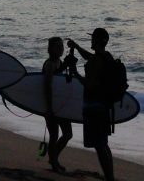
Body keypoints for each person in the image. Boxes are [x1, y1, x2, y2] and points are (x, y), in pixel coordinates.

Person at [67, 28, 116, 181]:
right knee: (104, 144)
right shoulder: (107, 57)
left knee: (99, 145)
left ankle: (109, 178)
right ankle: (110, 177)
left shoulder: (97, 60)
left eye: (93, 38)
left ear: (98, 41)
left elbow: (89, 85)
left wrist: (75, 74)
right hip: (104, 106)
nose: (91, 41)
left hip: (93, 107)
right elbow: (89, 57)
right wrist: (76, 46)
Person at [42, 37, 74, 172]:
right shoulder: (49, 64)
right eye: (57, 46)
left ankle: (53, 158)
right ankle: (54, 162)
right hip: (51, 105)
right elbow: (48, 85)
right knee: (54, 135)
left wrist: (69, 66)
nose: (60, 49)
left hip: (60, 104)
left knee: (67, 134)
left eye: (62, 46)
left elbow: (62, 82)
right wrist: (49, 108)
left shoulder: (59, 62)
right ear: (50, 49)